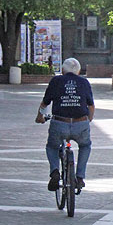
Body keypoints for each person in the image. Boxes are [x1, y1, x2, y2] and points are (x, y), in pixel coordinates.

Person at [36, 58, 94, 191]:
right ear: (78, 71)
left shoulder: (56, 81)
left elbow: (45, 103)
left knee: (52, 146)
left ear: (62, 70)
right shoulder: (84, 82)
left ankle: (55, 171)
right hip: (80, 123)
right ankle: (80, 177)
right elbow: (91, 106)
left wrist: (39, 117)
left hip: (59, 123)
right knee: (85, 145)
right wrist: (88, 120)